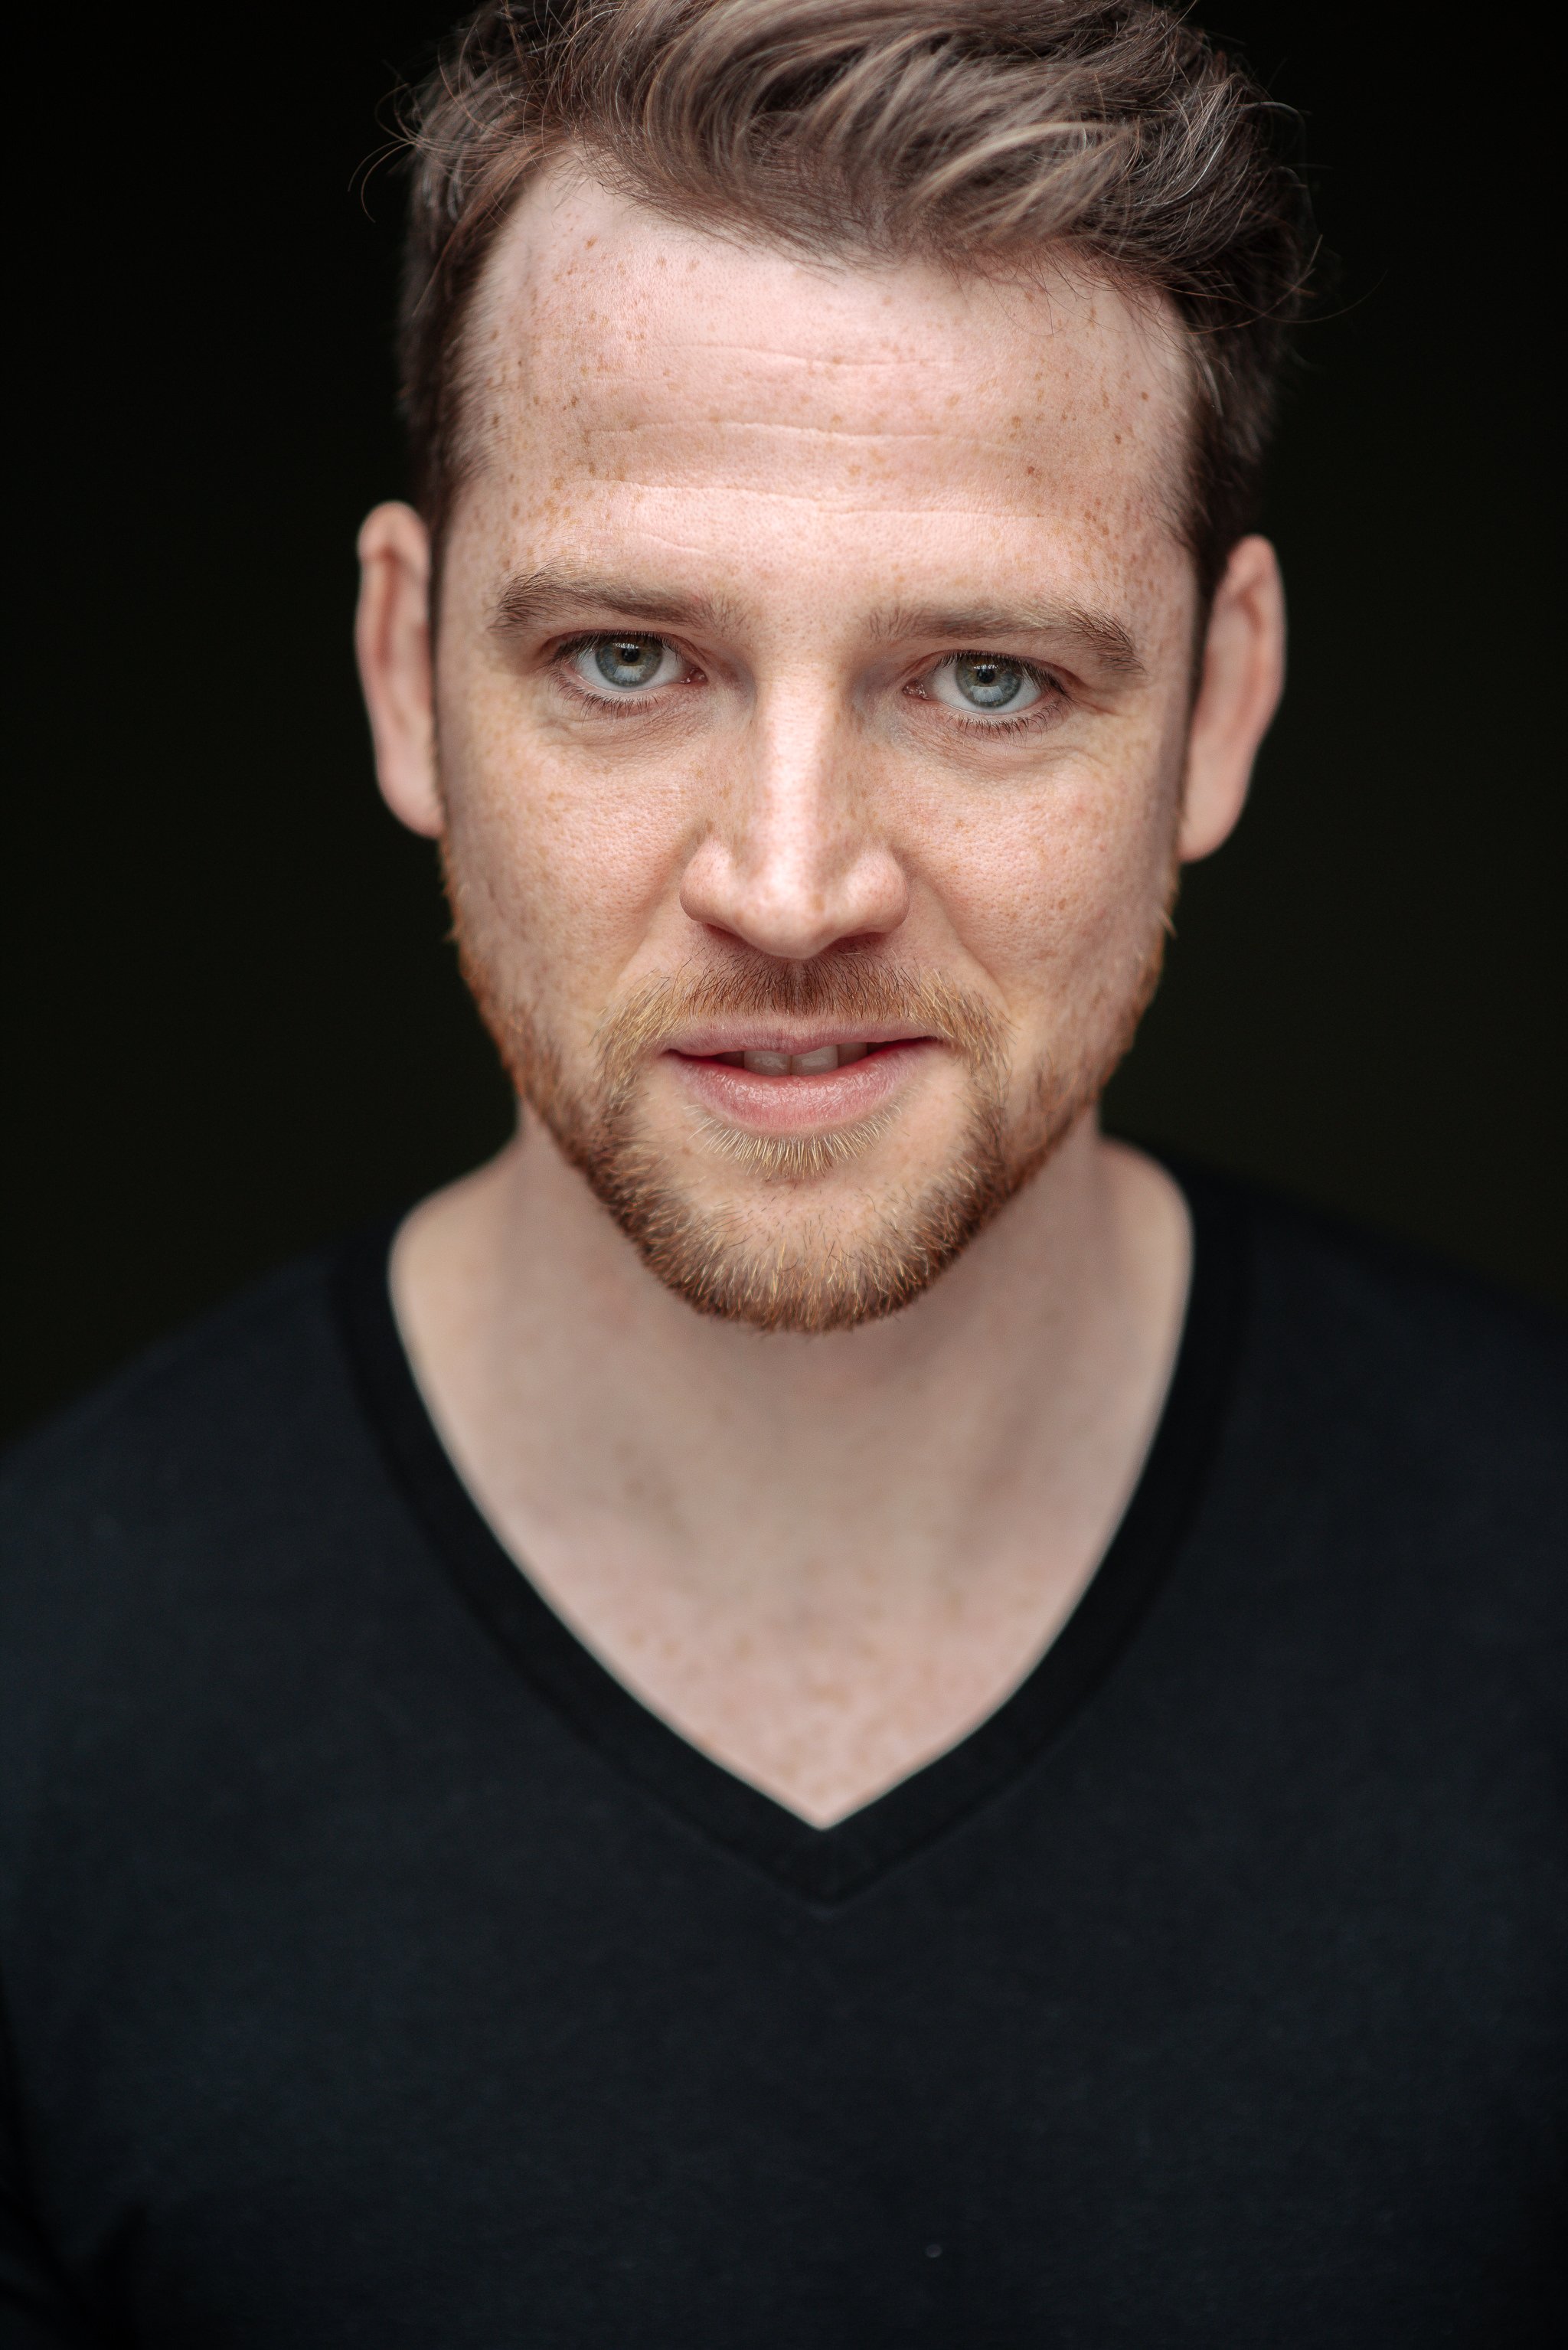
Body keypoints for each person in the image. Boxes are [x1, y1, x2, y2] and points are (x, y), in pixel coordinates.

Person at [2, 1, 1563, 2340]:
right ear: (405, 665)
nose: (798, 879)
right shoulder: (39, 1721)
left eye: (989, 679)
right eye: (632, 659)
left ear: (1224, 706)